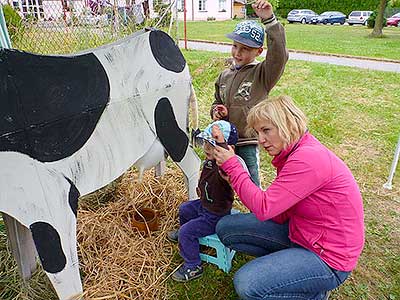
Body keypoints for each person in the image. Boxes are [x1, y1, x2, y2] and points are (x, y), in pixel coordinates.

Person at [212, 96, 365, 300]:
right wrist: (235, 176)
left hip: (328, 257)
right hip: (303, 233)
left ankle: (313, 292)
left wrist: (233, 166)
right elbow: (278, 211)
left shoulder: (306, 159)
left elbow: (264, 207)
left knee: (247, 285)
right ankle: (291, 273)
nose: (260, 140)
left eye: (266, 130)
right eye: (258, 132)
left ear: (287, 124)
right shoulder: (293, 152)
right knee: (226, 228)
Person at [211, 0, 289, 187]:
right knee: (221, 181)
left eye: (245, 49)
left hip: (247, 140)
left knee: (251, 181)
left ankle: (257, 213)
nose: (237, 53)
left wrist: (269, 21)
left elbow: (279, 55)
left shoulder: (263, 74)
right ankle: (221, 211)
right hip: (225, 141)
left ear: (259, 51)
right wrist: (216, 111)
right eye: (235, 46)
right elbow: (217, 101)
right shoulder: (224, 75)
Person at [167, 120, 241, 282]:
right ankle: (191, 240)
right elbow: (206, 176)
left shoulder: (225, 167)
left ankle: (193, 265)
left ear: (228, 150)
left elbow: (227, 168)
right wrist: (201, 188)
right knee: (185, 209)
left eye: (212, 145)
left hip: (216, 215)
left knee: (187, 231)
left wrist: (222, 145)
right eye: (206, 143)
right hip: (204, 204)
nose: (206, 148)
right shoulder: (209, 162)